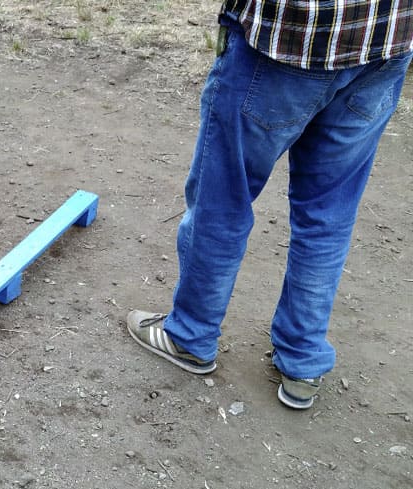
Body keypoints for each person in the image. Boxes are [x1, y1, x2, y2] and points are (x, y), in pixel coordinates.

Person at [127, 0, 413, 410]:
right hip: (383, 42)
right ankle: (303, 362)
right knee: (328, 216)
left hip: (286, 42)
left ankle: (189, 334)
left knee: (222, 200)